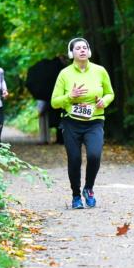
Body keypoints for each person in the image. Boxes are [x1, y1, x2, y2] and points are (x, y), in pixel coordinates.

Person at [50, 37, 114, 209]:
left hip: (94, 121)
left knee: (94, 155)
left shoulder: (100, 71)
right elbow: (54, 102)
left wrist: (103, 102)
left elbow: (110, 93)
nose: (82, 50)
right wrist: (70, 96)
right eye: (78, 48)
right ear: (72, 53)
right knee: (75, 159)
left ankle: (89, 188)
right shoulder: (65, 74)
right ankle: (76, 196)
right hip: (71, 122)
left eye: (85, 47)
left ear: (89, 51)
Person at [26, 54, 67, 145]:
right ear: (61, 59)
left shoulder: (42, 66)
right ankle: (60, 139)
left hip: (42, 96)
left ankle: (44, 139)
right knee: (60, 117)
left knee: (43, 117)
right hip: (57, 97)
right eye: (65, 59)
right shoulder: (61, 69)